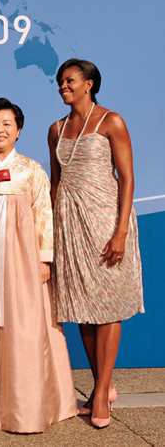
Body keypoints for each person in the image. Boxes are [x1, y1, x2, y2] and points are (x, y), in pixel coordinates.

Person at [0, 98, 77, 434]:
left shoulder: (32, 170)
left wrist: (44, 259)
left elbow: (44, 215)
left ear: (19, 130)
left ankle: (26, 406)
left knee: (23, 322)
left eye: (7, 124)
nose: (0, 130)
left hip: (21, 258)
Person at [48, 59, 144, 429]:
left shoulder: (111, 121)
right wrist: (53, 231)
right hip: (70, 226)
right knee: (83, 310)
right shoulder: (56, 130)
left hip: (106, 222)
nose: (62, 86)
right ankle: (102, 384)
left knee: (108, 305)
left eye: (69, 80)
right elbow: (56, 185)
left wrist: (120, 231)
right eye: (60, 82)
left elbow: (128, 177)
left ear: (88, 84)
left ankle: (101, 391)